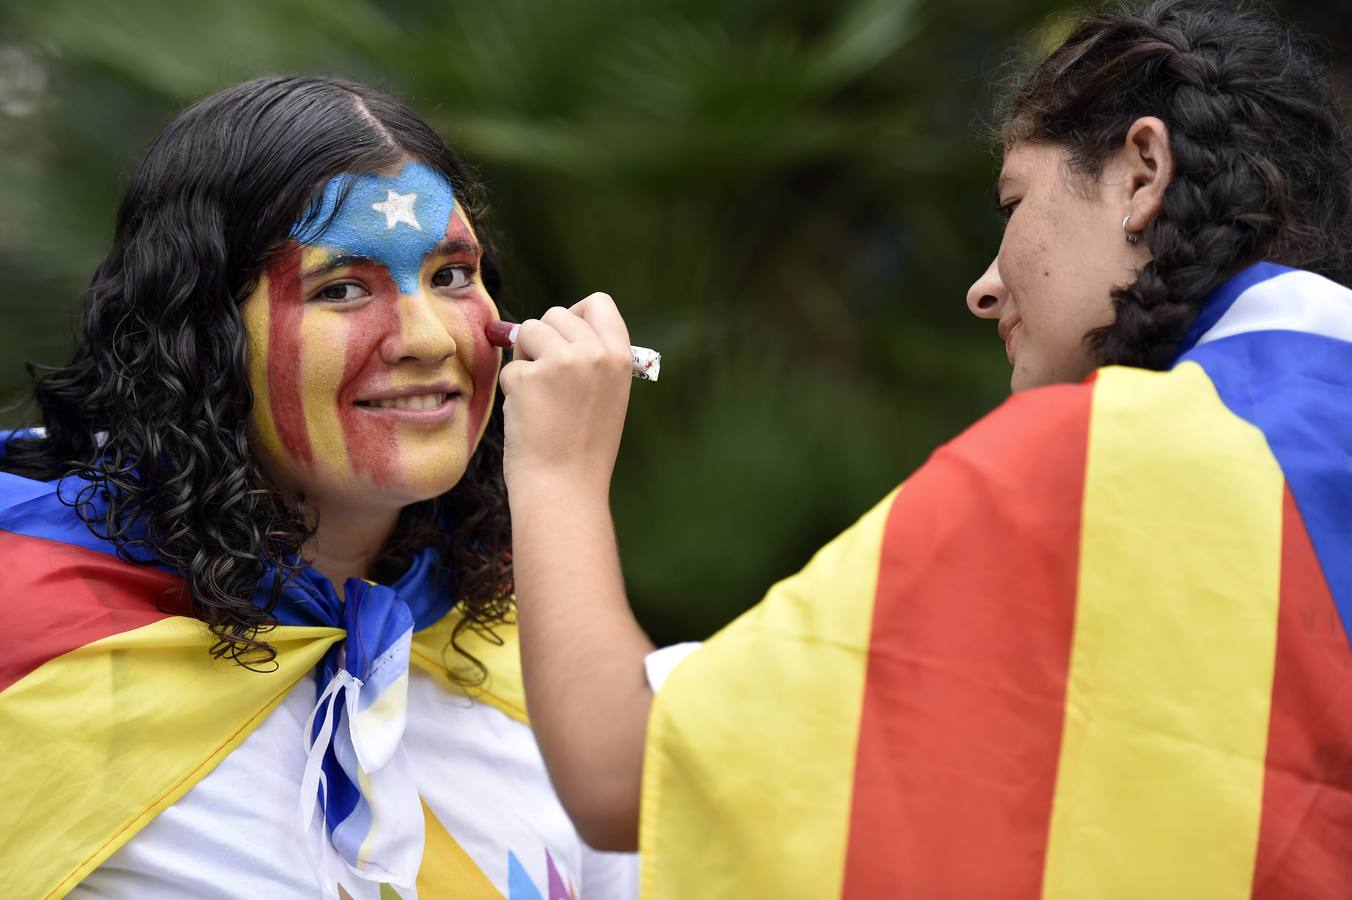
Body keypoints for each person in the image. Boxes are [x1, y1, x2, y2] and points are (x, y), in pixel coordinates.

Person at [497, 0, 1352, 896]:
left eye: (1014, 202)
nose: (984, 290)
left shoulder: (1089, 473)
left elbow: (612, 764)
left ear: (1142, 173)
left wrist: (558, 468)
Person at [0, 75, 636, 898]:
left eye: (451, 275)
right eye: (341, 288)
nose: (427, 337)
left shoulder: (537, 650)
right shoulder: (30, 630)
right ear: (203, 337)